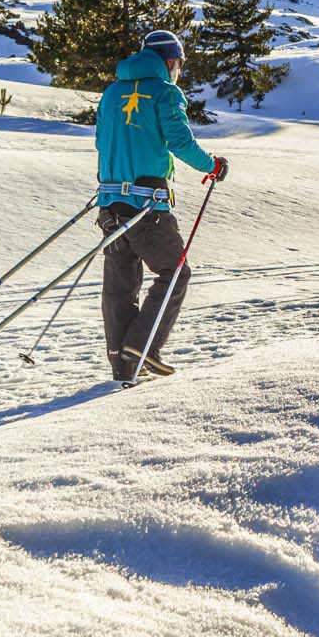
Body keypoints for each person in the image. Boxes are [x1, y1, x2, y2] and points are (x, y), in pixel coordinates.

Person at [93, 30, 228, 381]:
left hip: (109, 205)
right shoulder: (165, 92)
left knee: (120, 285)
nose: (178, 71)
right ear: (170, 61)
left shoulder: (110, 93)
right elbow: (180, 140)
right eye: (179, 65)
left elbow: (100, 140)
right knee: (175, 272)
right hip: (147, 204)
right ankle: (142, 345)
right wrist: (212, 165)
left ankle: (122, 360)